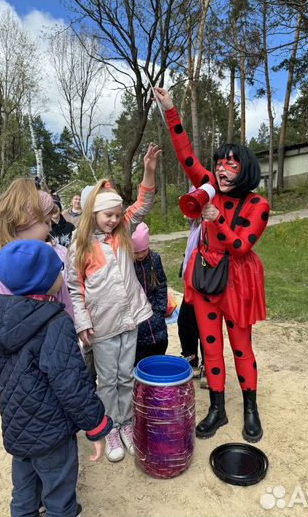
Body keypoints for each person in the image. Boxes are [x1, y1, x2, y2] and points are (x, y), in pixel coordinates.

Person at [154, 87, 269, 442]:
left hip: (236, 282)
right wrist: (171, 111)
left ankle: (250, 408)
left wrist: (216, 219)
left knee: (241, 347)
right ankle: (217, 409)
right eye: (218, 163)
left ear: (244, 168)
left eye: (230, 164)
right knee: (210, 345)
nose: (221, 169)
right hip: (204, 277)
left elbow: (240, 245)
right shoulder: (207, 188)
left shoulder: (258, 205)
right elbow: (185, 154)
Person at [0, 239, 112, 517]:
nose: (62, 276)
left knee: (24, 494)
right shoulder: (55, 323)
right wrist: (96, 425)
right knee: (59, 499)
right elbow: (71, 384)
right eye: (58, 271)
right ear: (43, 280)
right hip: (52, 432)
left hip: (17, 427)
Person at [67, 143, 160, 462]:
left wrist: (148, 171)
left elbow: (144, 203)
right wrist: (82, 323)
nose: (114, 220)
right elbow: (75, 290)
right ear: (94, 212)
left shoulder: (122, 232)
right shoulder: (79, 246)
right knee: (107, 380)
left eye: (118, 215)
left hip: (129, 319)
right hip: (102, 326)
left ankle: (128, 423)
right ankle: (112, 428)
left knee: (125, 374)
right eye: (109, 215)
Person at [0, 178, 73, 318]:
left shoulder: (5, 264)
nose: (50, 228)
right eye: (47, 222)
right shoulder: (11, 270)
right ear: (25, 223)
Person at [132, 222, 169, 365]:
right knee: (139, 358)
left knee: (159, 348)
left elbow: (162, 284)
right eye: (136, 252)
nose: (140, 255)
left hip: (155, 315)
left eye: (143, 250)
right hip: (137, 318)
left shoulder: (154, 258)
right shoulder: (126, 262)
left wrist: (160, 310)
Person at [178, 213, 206, 386]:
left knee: (202, 326)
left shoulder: (205, 226)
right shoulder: (195, 225)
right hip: (190, 284)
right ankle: (191, 360)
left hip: (202, 284)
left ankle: (209, 367)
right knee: (184, 322)